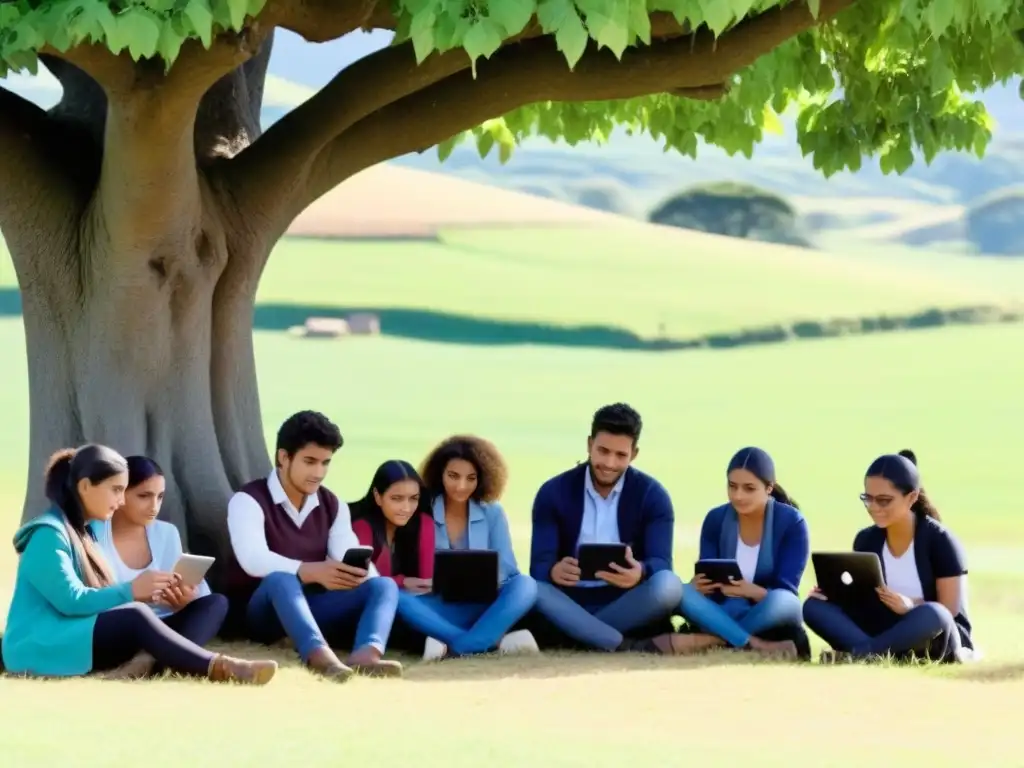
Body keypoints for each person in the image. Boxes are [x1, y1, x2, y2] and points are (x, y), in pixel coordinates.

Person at [2, 445, 276, 684]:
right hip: (42, 644)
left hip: (77, 635)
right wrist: (131, 590)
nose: (121, 501)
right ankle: (220, 668)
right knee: (135, 615)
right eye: (117, 490)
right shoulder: (48, 535)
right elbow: (71, 600)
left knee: (204, 605)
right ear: (85, 487)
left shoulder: (78, 531)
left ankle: (154, 662)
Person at [225, 410, 402, 681]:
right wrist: (309, 570)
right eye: (310, 461)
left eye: (325, 463)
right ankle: (321, 658)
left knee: (383, 584)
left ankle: (366, 656)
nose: (318, 472)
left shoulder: (333, 505)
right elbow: (253, 559)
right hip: (263, 614)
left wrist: (363, 579)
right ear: (284, 458)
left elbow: (347, 553)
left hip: (315, 605)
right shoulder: (248, 500)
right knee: (280, 580)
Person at [529, 404, 684, 653]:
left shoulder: (653, 495)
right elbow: (538, 568)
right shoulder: (553, 492)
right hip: (569, 602)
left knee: (669, 585)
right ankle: (623, 644)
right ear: (589, 445)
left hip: (626, 602)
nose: (609, 463)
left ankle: (579, 636)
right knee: (528, 587)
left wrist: (641, 572)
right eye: (602, 451)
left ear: (634, 454)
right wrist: (553, 570)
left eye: (620, 455)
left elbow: (662, 563)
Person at [803, 450, 973, 663]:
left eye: (884, 501)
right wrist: (833, 595)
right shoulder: (866, 540)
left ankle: (860, 654)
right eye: (868, 499)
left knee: (933, 613)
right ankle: (873, 654)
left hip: (932, 633)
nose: (873, 508)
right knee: (813, 607)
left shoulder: (941, 540)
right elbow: (862, 597)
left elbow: (949, 609)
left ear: (911, 497)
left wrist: (910, 605)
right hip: (883, 627)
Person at [91, 455, 229, 678]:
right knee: (137, 615)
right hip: (121, 630)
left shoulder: (166, 533)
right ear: (119, 494)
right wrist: (137, 594)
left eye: (160, 497)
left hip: (164, 627)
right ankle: (164, 660)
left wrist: (185, 600)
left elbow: (202, 593)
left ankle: (152, 663)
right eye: (144, 496)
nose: (154, 506)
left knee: (217, 603)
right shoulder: (93, 534)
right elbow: (88, 600)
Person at [664, 447, 807, 658]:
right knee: (679, 590)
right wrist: (700, 586)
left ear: (769, 488)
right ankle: (751, 643)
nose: (738, 496)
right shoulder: (715, 518)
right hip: (725, 605)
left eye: (749, 488)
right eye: (732, 486)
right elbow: (709, 571)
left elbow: (786, 588)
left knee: (783, 601)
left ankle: (714, 638)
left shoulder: (792, 522)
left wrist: (750, 591)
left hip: (767, 608)